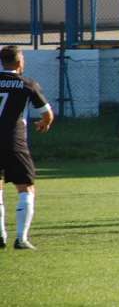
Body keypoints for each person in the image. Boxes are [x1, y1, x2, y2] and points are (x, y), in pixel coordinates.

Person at [0, 46, 53, 251]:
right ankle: (21, 238)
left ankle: (1, 235)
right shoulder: (27, 84)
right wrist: (44, 123)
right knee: (26, 187)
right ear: (20, 62)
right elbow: (47, 113)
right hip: (14, 142)